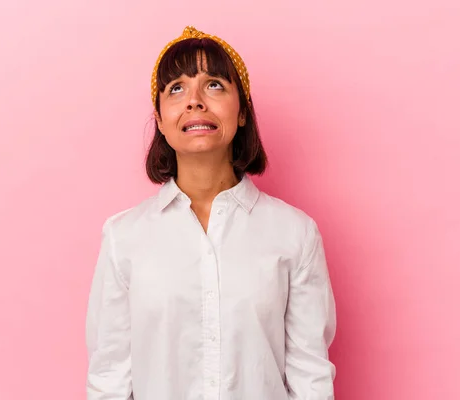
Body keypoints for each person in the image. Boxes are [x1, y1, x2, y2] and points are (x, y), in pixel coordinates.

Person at [86, 26, 336, 400]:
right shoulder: (124, 238)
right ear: (160, 119)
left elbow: (310, 378)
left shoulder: (295, 234)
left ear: (241, 113)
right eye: (176, 88)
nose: (195, 101)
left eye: (215, 85)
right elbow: (109, 379)